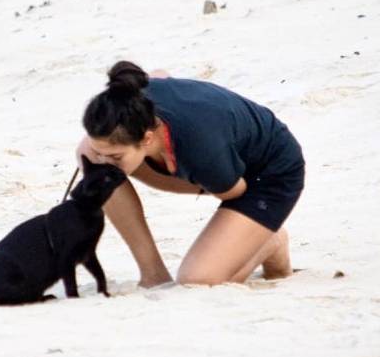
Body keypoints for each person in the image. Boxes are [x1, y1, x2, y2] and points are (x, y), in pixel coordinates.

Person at [77, 61, 305, 288]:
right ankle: (153, 274)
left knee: (197, 281)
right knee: (90, 157)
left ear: (147, 139)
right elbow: (159, 74)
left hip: (268, 174)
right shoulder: (129, 100)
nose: (106, 160)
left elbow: (234, 191)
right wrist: (103, 157)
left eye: (116, 157)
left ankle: (267, 241)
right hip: (216, 157)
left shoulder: (202, 149)